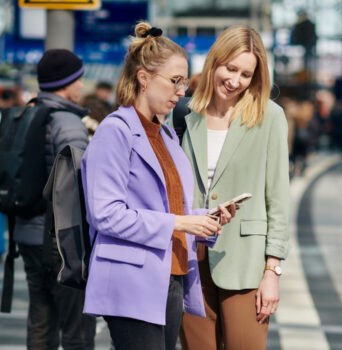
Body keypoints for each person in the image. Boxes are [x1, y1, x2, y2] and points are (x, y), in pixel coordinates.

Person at [80, 22, 233, 350]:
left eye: (184, 82)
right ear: (143, 77)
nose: (182, 91)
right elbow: (105, 214)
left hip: (170, 276)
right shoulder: (115, 131)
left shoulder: (164, 135)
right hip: (131, 281)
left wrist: (205, 219)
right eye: (175, 81)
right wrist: (181, 222)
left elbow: (171, 208)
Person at [179, 25, 289, 350]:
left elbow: (278, 200)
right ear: (214, 61)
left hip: (247, 263)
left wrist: (273, 271)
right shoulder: (185, 115)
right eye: (230, 68)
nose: (235, 80)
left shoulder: (269, 117)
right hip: (190, 259)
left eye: (246, 74)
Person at [13, 49, 96, 350]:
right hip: (62, 241)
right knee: (76, 329)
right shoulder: (70, 124)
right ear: (69, 82)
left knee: (40, 320)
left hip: (26, 234)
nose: (81, 86)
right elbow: (79, 188)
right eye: (79, 79)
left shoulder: (24, 115)